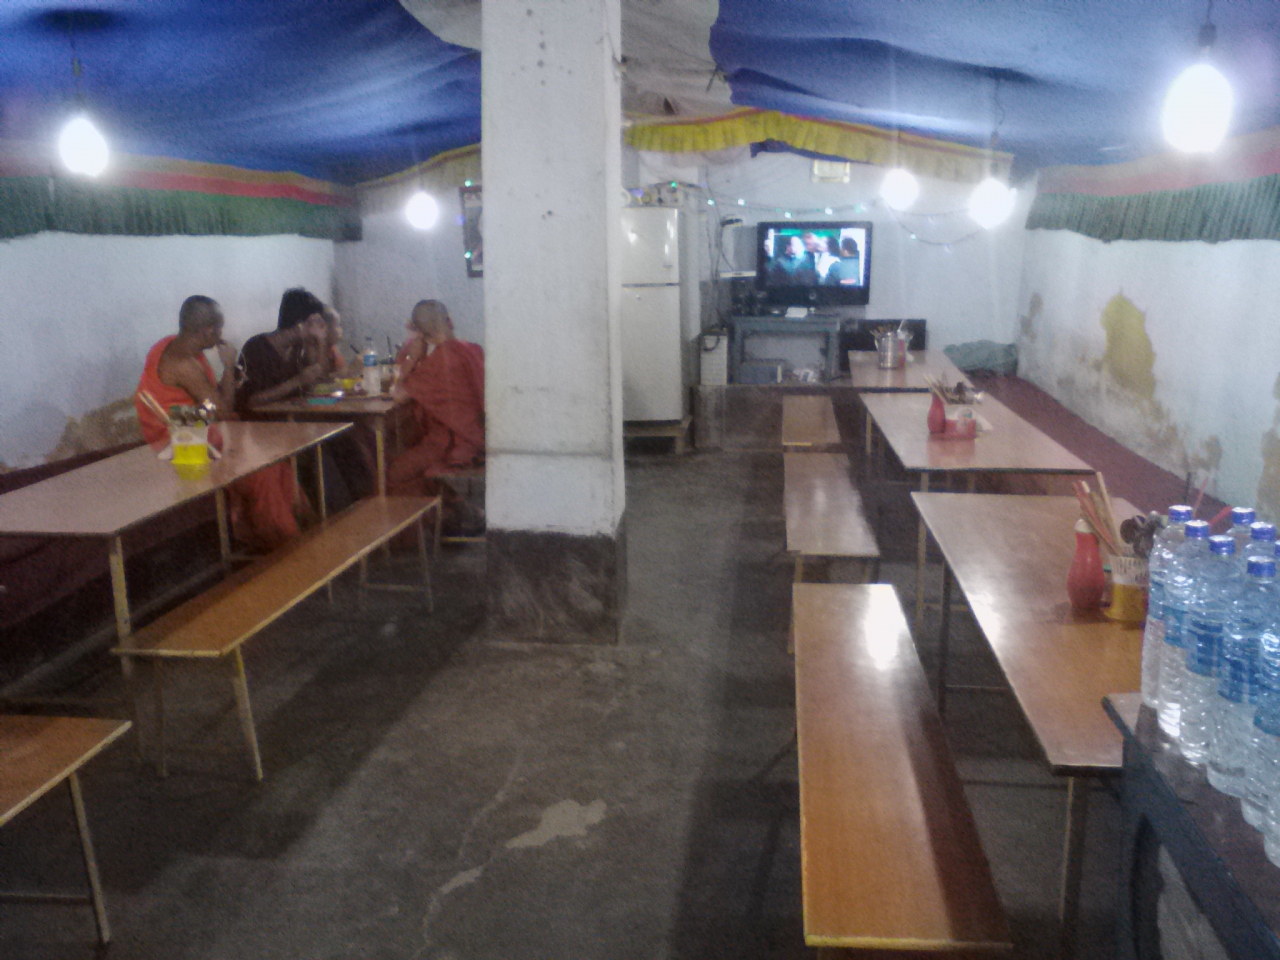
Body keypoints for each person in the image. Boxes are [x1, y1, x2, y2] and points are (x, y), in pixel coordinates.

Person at [134, 295, 301, 552]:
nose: (222, 334)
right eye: (220, 328)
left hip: (200, 434)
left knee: (278, 462)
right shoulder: (183, 363)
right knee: (262, 472)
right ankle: (286, 544)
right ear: (207, 331)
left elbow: (210, 404)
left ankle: (300, 531)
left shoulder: (173, 346)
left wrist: (228, 381)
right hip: (179, 447)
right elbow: (221, 411)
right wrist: (229, 367)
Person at [238, 288, 373, 507]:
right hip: (263, 429)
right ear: (300, 323)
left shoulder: (298, 346)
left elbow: (317, 380)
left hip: (295, 421)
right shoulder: (257, 348)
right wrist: (297, 381)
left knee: (344, 435)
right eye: (316, 323)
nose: (321, 327)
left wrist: (319, 342)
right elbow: (252, 401)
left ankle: (363, 505)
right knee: (319, 449)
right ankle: (337, 511)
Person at [388, 301, 484, 523]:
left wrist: (413, 356)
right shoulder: (473, 349)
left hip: (454, 444)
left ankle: (435, 524)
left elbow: (398, 394)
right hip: (479, 436)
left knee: (394, 472)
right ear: (450, 321)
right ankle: (455, 510)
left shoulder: (437, 363)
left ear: (421, 334)